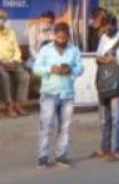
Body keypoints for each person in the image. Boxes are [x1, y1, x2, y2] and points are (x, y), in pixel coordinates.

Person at [33, 22, 84, 168]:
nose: (62, 40)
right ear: (55, 36)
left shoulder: (74, 50)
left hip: (67, 93)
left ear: (68, 37)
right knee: (46, 126)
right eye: (59, 37)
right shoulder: (45, 50)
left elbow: (80, 67)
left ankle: (61, 155)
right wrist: (50, 69)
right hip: (49, 93)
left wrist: (71, 69)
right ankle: (43, 156)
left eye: (64, 38)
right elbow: (36, 69)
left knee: (65, 127)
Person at [93, 13, 119, 162]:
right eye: (104, 27)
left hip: (117, 83)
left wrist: (116, 59)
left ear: (115, 25)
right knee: (104, 119)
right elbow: (98, 55)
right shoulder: (103, 38)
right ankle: (105, 147)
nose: (106, 30)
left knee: (118, 119)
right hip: (103, 82)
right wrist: (100, 58)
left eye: (109, 27)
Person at [0, 8, 30, 118]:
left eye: (1, 17)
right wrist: (2, 63)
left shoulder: (10, 32)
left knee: (25, 76)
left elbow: (17, 50)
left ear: (5, 19)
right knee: (4, 77)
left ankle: (18, 104)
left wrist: (14, 61)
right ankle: (9, 106)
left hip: (12, 62)